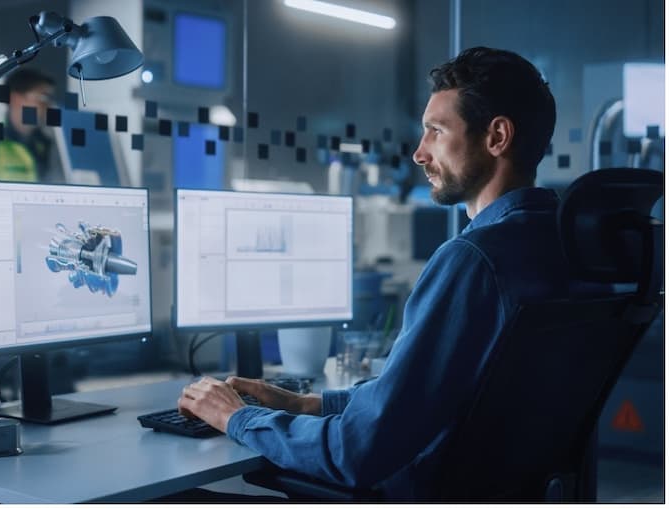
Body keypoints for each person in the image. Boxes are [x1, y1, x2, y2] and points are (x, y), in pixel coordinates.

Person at [174, 47, 606, 501]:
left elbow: (358, 452)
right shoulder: (560, 246)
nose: (419, 153)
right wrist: (309, 403)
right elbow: (428, 401)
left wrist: (235, 417)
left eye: (436, 132)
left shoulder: (473, 260)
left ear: (496, 136)